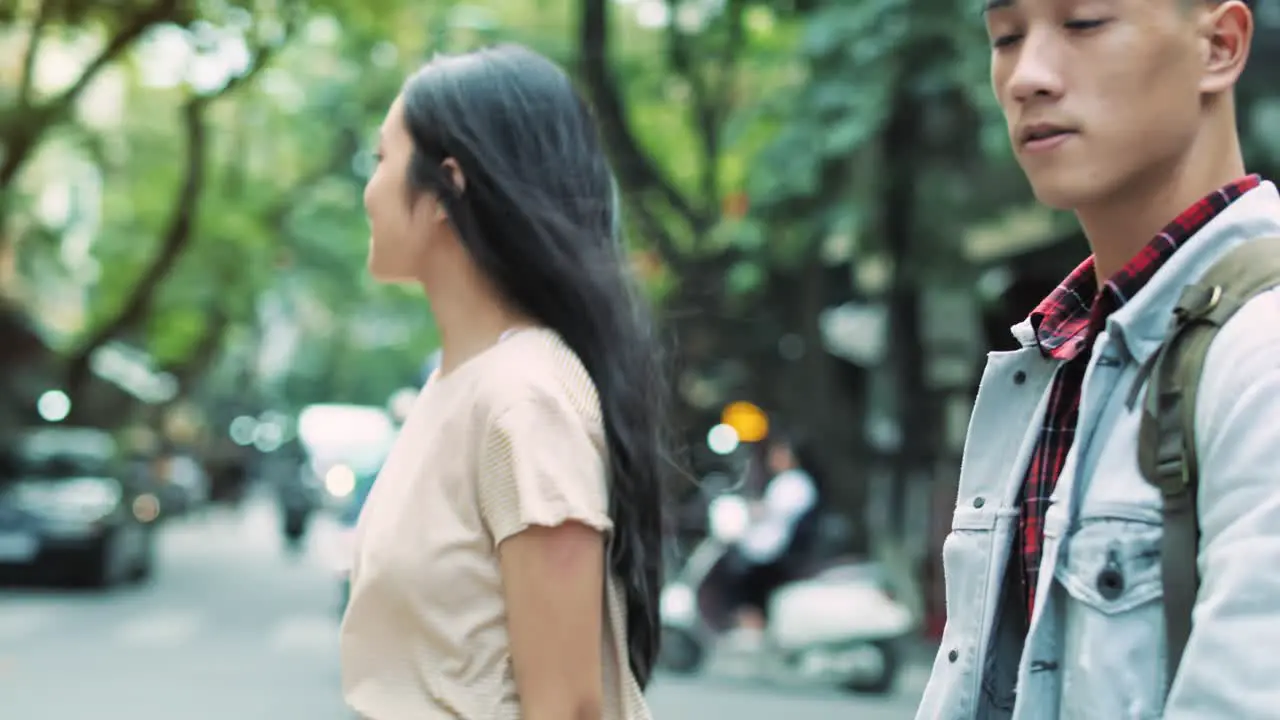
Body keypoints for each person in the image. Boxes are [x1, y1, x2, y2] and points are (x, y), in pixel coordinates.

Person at [917, 0, 1280, 717]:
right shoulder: (1054, 357)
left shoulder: (1258, 351)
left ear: (1220, 46)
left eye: (1083, 23)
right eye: (1006, 37)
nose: (1027, 77)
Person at [339, 44, 670, 720]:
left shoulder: (525, 400)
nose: (368, 191)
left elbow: (568, 709)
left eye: (381, 160)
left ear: (446, 188)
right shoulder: (454, 386)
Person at [729, 435, 821, 629]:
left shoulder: (796, 483)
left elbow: (771, 510)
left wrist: (749, 510)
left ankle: (756, 625)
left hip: (777, 551)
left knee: (744, 579)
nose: (774, 459)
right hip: (764, 546)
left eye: (779, 454)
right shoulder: (781, 482)